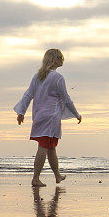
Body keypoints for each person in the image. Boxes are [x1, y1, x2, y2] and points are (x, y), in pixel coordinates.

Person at [14, 48, 82, 187]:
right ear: (54, 59)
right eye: (60, 57)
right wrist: (76, 114)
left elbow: (28, 95)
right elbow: (66, 99)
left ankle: (57, 176)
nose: (62, 60)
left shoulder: (37, 76)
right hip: (51, 117)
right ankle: (35, 178)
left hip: (39, 115)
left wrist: (21, 112)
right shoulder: (57, 78)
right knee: (44, 146)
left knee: (51, 147)